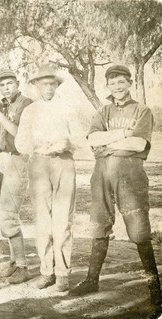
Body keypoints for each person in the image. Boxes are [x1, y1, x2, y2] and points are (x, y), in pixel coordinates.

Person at [69, 65, 162, 305]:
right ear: (107, 86)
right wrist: (122, 134)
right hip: (101, 173)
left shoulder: (142, 110)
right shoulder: (103, 111)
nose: (117, 87)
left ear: (129, 83)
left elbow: (139, 144)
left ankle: (155, 288)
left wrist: (108, 144)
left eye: (121, 82)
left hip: (130, 173)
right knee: (99, 222)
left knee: (139, 229)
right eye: (112, 83)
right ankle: (92, 279)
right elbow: (92, 139)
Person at [15, 64, 83, 291]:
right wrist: (39, 146)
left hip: (63, 163)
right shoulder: (29, 111)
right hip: (39, 165)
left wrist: (66, 144)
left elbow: (80, 139)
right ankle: (46, 271)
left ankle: (63, 274)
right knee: (43, 220)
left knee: (63, 220)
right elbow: (20, 143)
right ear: (35, 86)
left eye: (52, 83)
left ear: (57, 85)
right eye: (43, 84)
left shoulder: (68, 107)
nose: (48, 88)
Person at [0, 70, 33, 284]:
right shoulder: (0, 105)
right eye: (2, 84)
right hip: (0, 159)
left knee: (8, 215)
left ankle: (23, 266)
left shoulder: (27, 104)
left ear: (17, 83)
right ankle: (15, 262)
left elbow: (18, 133)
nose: (6, 87)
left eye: (10, 83)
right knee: (1, 213)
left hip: (17, 159)